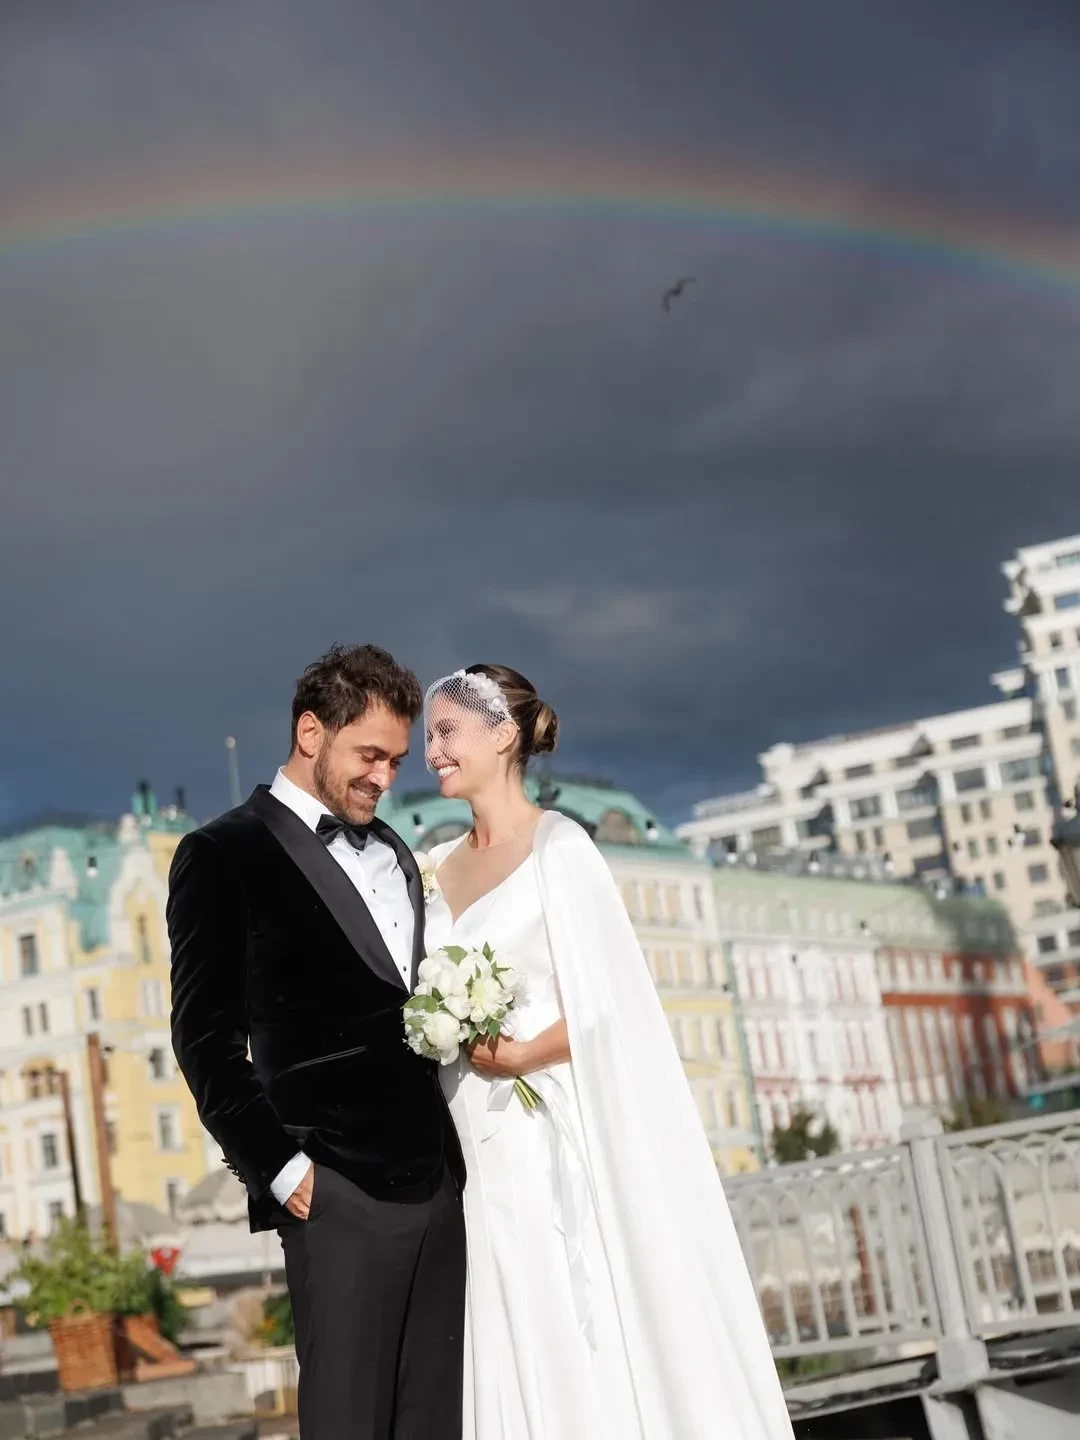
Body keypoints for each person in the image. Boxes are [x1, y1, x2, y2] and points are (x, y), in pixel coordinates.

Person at [422, 665, 794, 1440]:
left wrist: (524, 1053)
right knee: (501, 1302)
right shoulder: (437, 867)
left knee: (565, 1297)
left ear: (503, 735)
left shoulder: (560, 849)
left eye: (447, 732)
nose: (432, 752)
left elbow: (614, 1005)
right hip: (467, 1138)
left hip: (542, 1126)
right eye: (429, 735)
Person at [167, 644, 466, 1440]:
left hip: (438, 1188)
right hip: (335, 1196)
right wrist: (284, 1170)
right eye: (369, 755)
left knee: (436, 1424)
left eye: (396, 760)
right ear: (310, 732)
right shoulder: (219, 854)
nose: (384, 777)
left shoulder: (396, 852)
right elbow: (203, 1042)